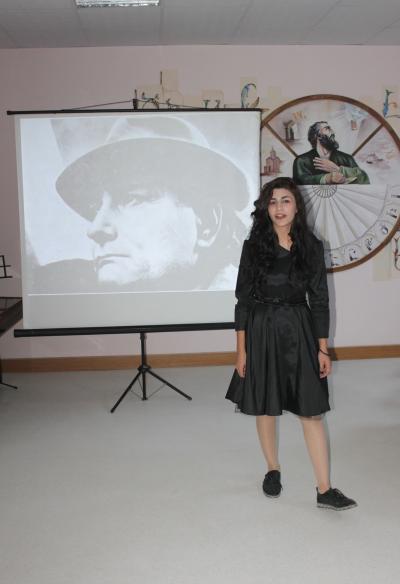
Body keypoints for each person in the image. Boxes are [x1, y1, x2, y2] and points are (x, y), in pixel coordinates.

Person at [225, 177, 357, 511]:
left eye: (285, 200)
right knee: (265, 405)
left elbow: (320, 300)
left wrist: (322, 347)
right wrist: (241, 350)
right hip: (261, 329)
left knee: (311, 411)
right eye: (272, 201)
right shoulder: (254, 247)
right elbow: (243, 301)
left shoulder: (311, 246)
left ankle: (324, 489)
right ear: (265, 208)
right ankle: (272, 469)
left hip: (299, 330)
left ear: (297, 206)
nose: (279, 208)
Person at [31, 116, 250, 293]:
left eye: (132, 199)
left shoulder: (251, 302)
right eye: (97, 208)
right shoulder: (58, 287)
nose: (95, 229)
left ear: (206, 224)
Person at [293, 121, 369, 186]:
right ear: (318, 136)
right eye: (327, 129)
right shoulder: (302, 161)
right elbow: (300, 182)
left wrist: (339, 170)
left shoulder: (347, 158)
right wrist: (327, 178)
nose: (333, 132)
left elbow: (363, 179)